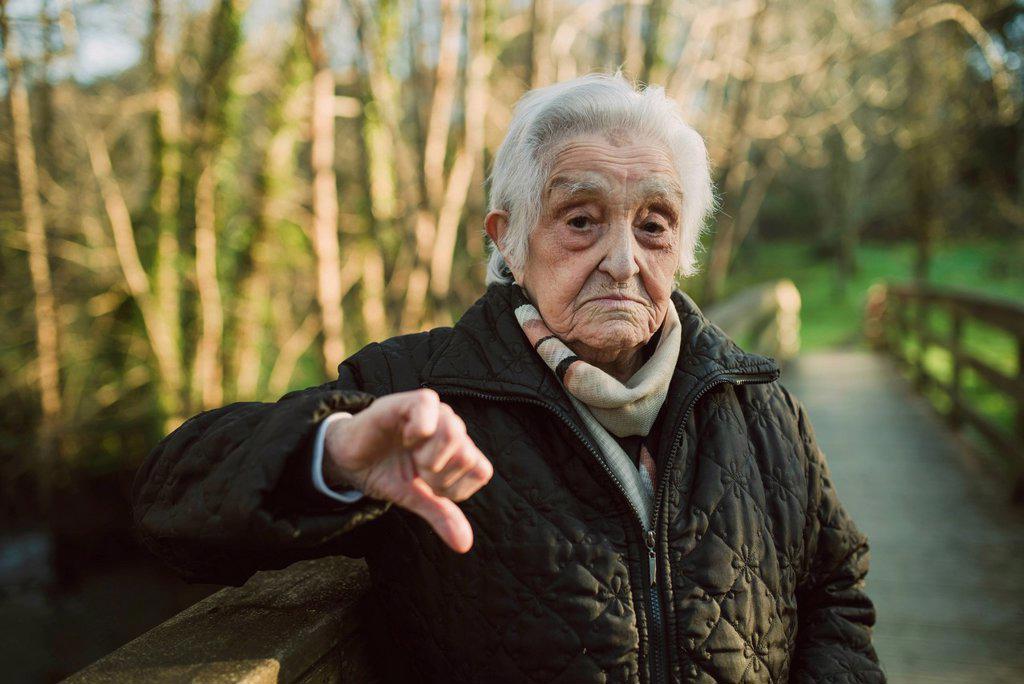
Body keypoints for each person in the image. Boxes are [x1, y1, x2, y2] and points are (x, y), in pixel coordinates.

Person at [133, 72, 885, 683]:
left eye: (653, 223)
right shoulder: (421, 391)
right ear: (510, 240)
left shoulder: (760, 407)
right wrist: (333, 456)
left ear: (681, 246)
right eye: (581, 219)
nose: (623, 260)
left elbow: (836, 593)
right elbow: (171, 501)